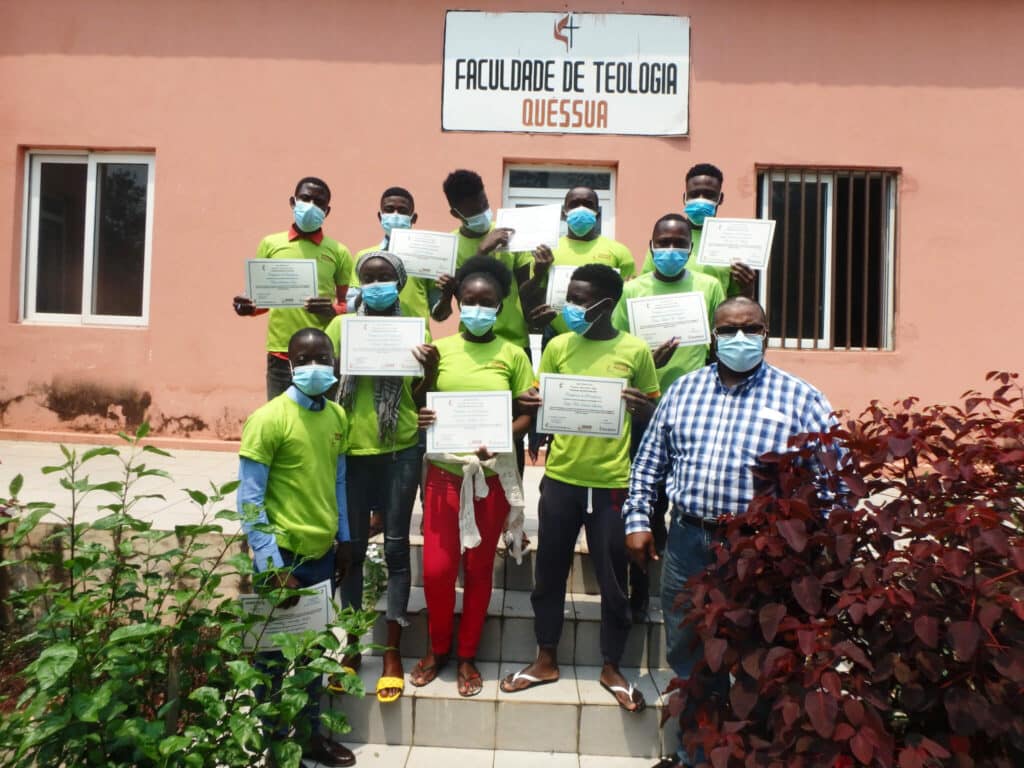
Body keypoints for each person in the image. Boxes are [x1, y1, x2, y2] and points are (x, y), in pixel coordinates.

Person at [622, 297, 837, 768]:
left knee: (758, 657)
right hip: (688, 543)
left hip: (757, 551)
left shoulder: (801, 398)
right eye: (728, 330)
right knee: (689, 653)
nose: (740, 338)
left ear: (766, 333)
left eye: (751, 328)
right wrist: (638, 520)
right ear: (713, 336)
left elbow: (833, 482)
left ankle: (750, 755)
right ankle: (696, 756)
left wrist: (820, 549)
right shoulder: (683, 391)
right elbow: (649, 464)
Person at [501, 264, 660, 713]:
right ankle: (545, 657)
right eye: (569, 297)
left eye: (579, 300)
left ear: (606, 305)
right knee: (549, 573)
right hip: (562, 479)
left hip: (612, 483)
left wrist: (644, 409)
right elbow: (540, 402)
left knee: (614, 579)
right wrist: (529, 403)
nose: (569, 307)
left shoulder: (635, 351)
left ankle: (612, 665)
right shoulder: (558, 346)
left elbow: (656, 413)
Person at [412, 256, 536, 698]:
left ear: (500, 307)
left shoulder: (513, 354)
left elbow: (526, 414)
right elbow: (419, 403)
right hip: (444, 475)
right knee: (437, 570)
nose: (478, 308)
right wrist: (424, 399)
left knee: (480, 569)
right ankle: (437, 648)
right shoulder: (440, 350)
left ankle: (466, 654)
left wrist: (503, 439)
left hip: (491, 477)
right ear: (459, 303)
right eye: (470, 301)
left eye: (488, 302)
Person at [236, 327, 355, 767]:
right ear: (289, 364)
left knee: (313, 655)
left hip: (322, 555)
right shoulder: (268, 419)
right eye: (305, 360)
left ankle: (309, 739)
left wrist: (344, 538)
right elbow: (249, 499)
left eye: (323, 358)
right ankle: (271, 746)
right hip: (282, 556)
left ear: (334, 363)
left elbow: (338, 480)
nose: (315, 367)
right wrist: (271, 565)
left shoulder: (337, 416)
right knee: (270, 660)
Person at [325, 251, 438, 705]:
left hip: (400, 448)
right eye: (368, 277)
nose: (375, 284)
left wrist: (429, 368)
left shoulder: (416, 328)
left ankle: (391, 651)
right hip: (351, 451)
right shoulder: (340, 327)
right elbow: (327, 384)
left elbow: (421, 392)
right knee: (351, 550)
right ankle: (352, 645)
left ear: (399, 281)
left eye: (385, 277)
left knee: (395, 547)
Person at [611, 213, 724, 622]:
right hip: (645, 407)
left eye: (679, 243)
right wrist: (649, 364)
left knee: (690, 498)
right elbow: (618, 352)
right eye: (664, 242)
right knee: (646, 498)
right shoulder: (632, 291)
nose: (671, 250)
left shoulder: (709, 286)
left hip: (695, 409)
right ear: (651, 246)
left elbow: (719, 345)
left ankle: (684, 590)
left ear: (690, 249)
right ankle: (640, 592)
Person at [431, 169, 542, 472]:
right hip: (472, 345)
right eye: (472, 209)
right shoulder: (449, 247)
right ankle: (462, 478)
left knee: (512, 430)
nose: (482, 212)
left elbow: (526, 291)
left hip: (513, 345)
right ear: (455, 213)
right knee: (469, 422)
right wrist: (482, 251)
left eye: (483, 203)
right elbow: (441, 312)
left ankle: (508, 490)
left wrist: (541, 272)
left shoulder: (510, 234)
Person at [233, 177, 354, 400]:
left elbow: (348, 305)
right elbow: (262, 301)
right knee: (279, 416)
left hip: (322, 355)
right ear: (293, 201)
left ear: (327, 211)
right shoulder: (270, 244)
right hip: (281, 353)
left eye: (319, 202)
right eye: (305, 198)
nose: (311, 206)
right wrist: (247, 308)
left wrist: (332, 310)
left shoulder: (339, 252)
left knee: (321, 416)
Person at [524, 185, 635, 337]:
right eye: (574, 204)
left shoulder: (619, 251)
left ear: (597, 213)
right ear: (564, 212)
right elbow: (529, 297)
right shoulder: (547, 252)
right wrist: (538, 275)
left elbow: (626, 297)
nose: (581, 208)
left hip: (602, 336)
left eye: (588, 204)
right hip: (555, 334)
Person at [640, 163, 755, 299]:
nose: (701, 200)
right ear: (685, 198)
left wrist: (748, 287)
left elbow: (736, 301)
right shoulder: (665, 240)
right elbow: (645, 288)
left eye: (709, 195)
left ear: (720, 198)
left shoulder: (732, 243)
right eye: (694, 194)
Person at [350, 187, 436, 329]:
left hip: (415, 333)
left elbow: (438, 313)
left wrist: (447, 292)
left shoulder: (427, 257)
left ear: (413, 218)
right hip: (370, 332)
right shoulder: (364, 257)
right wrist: (369, 291)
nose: (395, 215)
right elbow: (350, 305)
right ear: (380, 216)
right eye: (389, 210)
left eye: (402, 211)